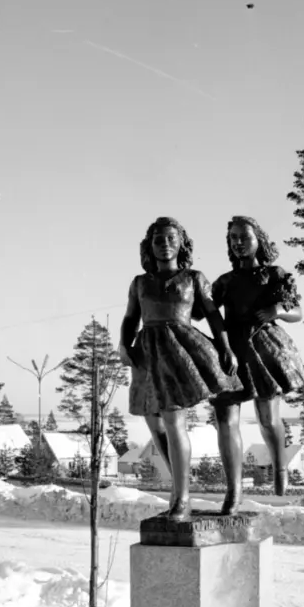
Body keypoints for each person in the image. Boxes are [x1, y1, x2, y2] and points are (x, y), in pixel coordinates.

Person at [119, 216, 241, 519]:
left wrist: (225, 347)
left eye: (171, 239)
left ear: (182, 244)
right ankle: (180, 485)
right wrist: (124, 344)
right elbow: (130, 318)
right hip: (148, 354)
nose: (165, 245)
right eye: (158, 240)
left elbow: (213, 316)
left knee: (174, 420)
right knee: (154, 420)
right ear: (150, 246)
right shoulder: (139, 283)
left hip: (184, 347)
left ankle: (181, 500)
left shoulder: (193, 278)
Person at [212, 215, 304, 512]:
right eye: (233, 238)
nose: (239, 242)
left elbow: (297, 311)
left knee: (267, 417)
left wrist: (276, 310)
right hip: (230, 352)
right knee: (225, 420)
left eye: (244, 236)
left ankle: (280, 469)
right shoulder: (224, 282)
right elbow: (206, 312)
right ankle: (234, 489)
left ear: (259, 240)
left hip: (263, 350)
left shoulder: (274, 274)